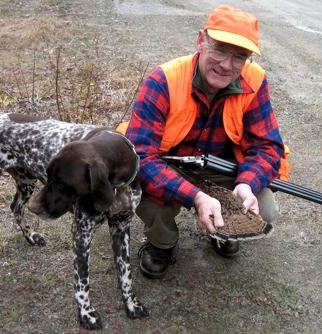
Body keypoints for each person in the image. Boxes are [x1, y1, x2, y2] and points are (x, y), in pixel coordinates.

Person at [123, 5, 289, 279]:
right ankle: (162, 242)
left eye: (239, 57)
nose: (227, 65)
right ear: (200, 40)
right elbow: (140, 156)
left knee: (265, 207)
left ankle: (223, 230)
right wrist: (196, 196)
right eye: (220, 49)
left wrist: (246, 184)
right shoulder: (162, 80)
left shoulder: (255, 80)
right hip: (169, 166)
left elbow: (267, 146)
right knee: (139, 186)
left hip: (222, 168)